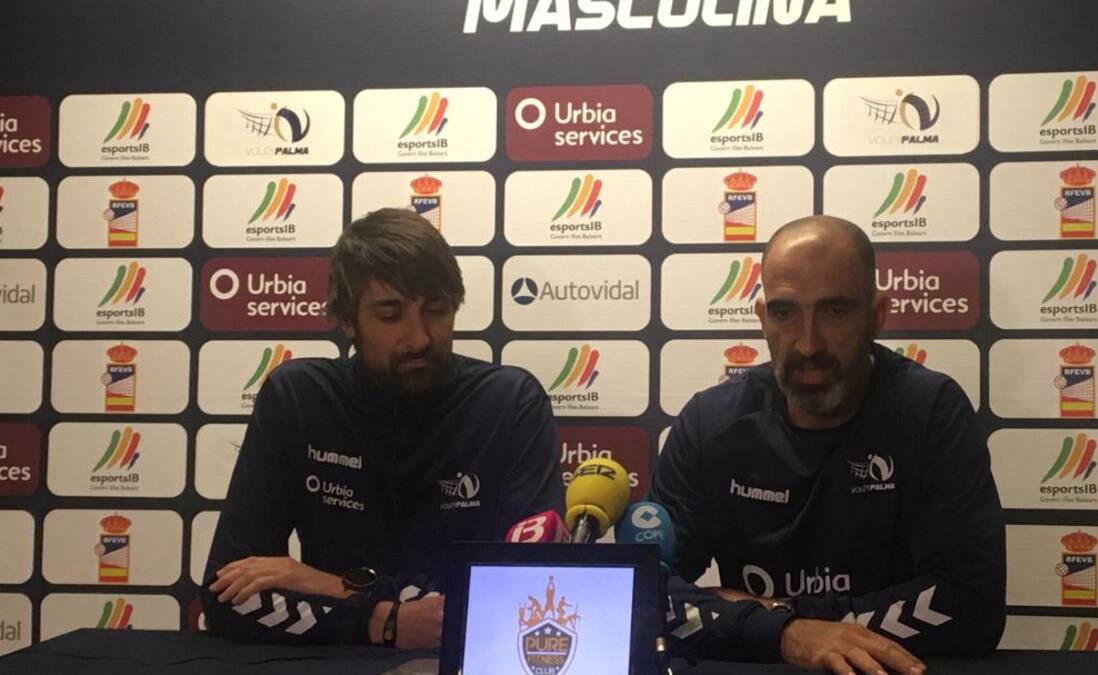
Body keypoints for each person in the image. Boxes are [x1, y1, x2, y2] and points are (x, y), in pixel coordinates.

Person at [651, 215, 1005, 675]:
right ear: (763, 319)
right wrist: (787, 634)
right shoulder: (711, 422)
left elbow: (972, 606)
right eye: (785, 313)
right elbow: (645, 594)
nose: (808, 343)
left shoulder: (931, 411)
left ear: (877, 315)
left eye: (835, 311)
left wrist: (778, 617)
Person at [202, 208, 563, 647]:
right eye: (391, 316)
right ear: (347, 320)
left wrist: (328, 585)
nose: (419, 338)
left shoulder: (509, 403)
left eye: (436, 310)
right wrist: (382, 621)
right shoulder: (298, 397)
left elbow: (526, 598)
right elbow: (227, 598)